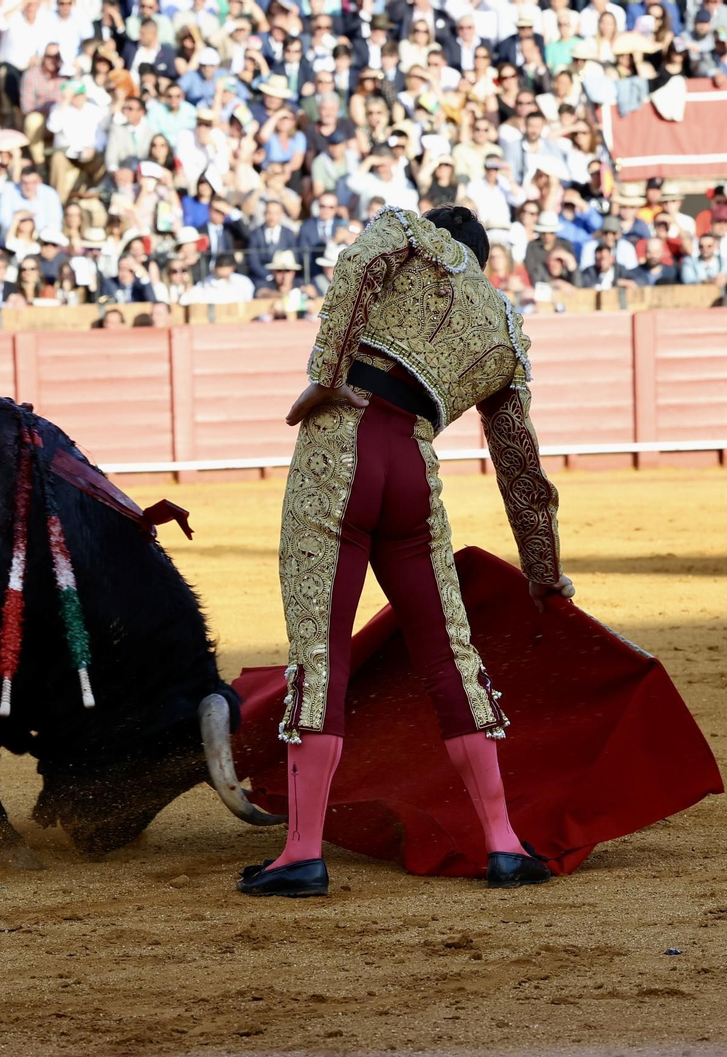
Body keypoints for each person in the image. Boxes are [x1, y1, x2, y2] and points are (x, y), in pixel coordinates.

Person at [241, 206, 571, 898]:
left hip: (342, 448)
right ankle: (504, 843)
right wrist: (545, 575)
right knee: (453, 655)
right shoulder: (506, 331)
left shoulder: (412, 235)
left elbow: (359, 264)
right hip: (413, 476)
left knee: (321, 649)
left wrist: (329, 371)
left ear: (442, 233)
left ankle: (301, 851)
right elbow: (521, 469)